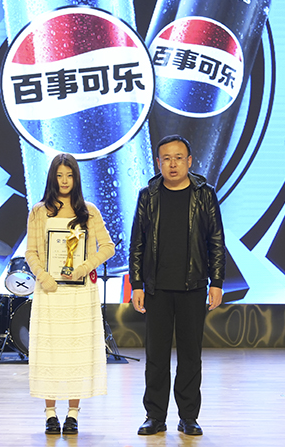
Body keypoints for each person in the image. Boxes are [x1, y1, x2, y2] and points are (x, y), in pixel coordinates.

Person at [130, 134, 225, 436]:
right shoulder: (148, 195)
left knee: (190, 356)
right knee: (156, 357)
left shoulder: (204, 194)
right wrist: (136, 284)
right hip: (156, 289)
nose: (173, 164)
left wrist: (217, 281)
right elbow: (137, 243)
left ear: (189, 161)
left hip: (193, 287)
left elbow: (216, 240)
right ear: (158, 162)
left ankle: (189, 417)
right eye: (167, 159)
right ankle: (155, 416)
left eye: (179, 158)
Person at [24, 153, 115, 435]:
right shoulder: (39, 211)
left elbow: (108, 247)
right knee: (50, 352)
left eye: (69, 175)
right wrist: (43, 276)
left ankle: (73, 413)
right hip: (49, 292)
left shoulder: (89, 211)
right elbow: (31, 252)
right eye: (59, 175)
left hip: (80, 292)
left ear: (76, 178)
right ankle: (50, 413)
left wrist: (84, 267)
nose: (64, 181)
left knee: (77, 352)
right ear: (52, 178)